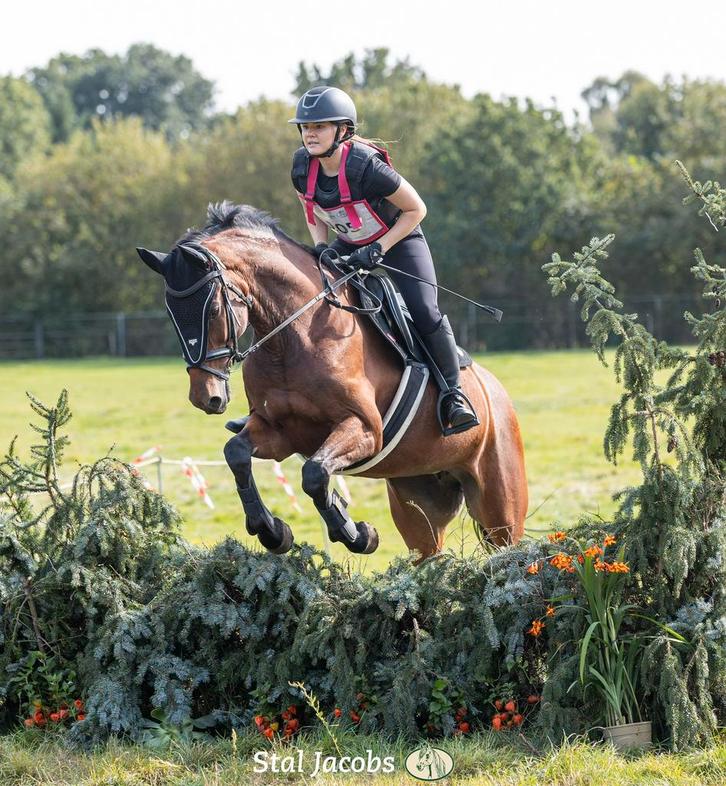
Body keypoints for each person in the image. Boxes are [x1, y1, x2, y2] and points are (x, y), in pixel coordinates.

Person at [289, 85, 478, 435]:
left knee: (424, 310)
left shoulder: (366, 166)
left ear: (343, 130)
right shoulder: (302, 165)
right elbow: (311, 207)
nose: (310, 134)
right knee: (308, 296)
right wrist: (320, 245)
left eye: (319, 126)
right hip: (349, 244)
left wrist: (380, 247)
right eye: (305, 127)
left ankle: (454, 395)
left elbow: (416, 209)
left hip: (400, 240)